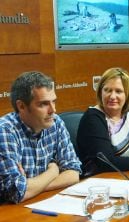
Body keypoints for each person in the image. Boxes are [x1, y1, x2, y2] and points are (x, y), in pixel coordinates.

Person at [0, 71, 81, 204]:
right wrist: (53, 171)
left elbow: (73, 173)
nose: (53, 110)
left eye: (53, 102)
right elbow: (15, 192)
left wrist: (33, 186)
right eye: (43, 104)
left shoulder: (56, 122)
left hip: (41, 205)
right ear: (21, 106)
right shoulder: (4, 131)